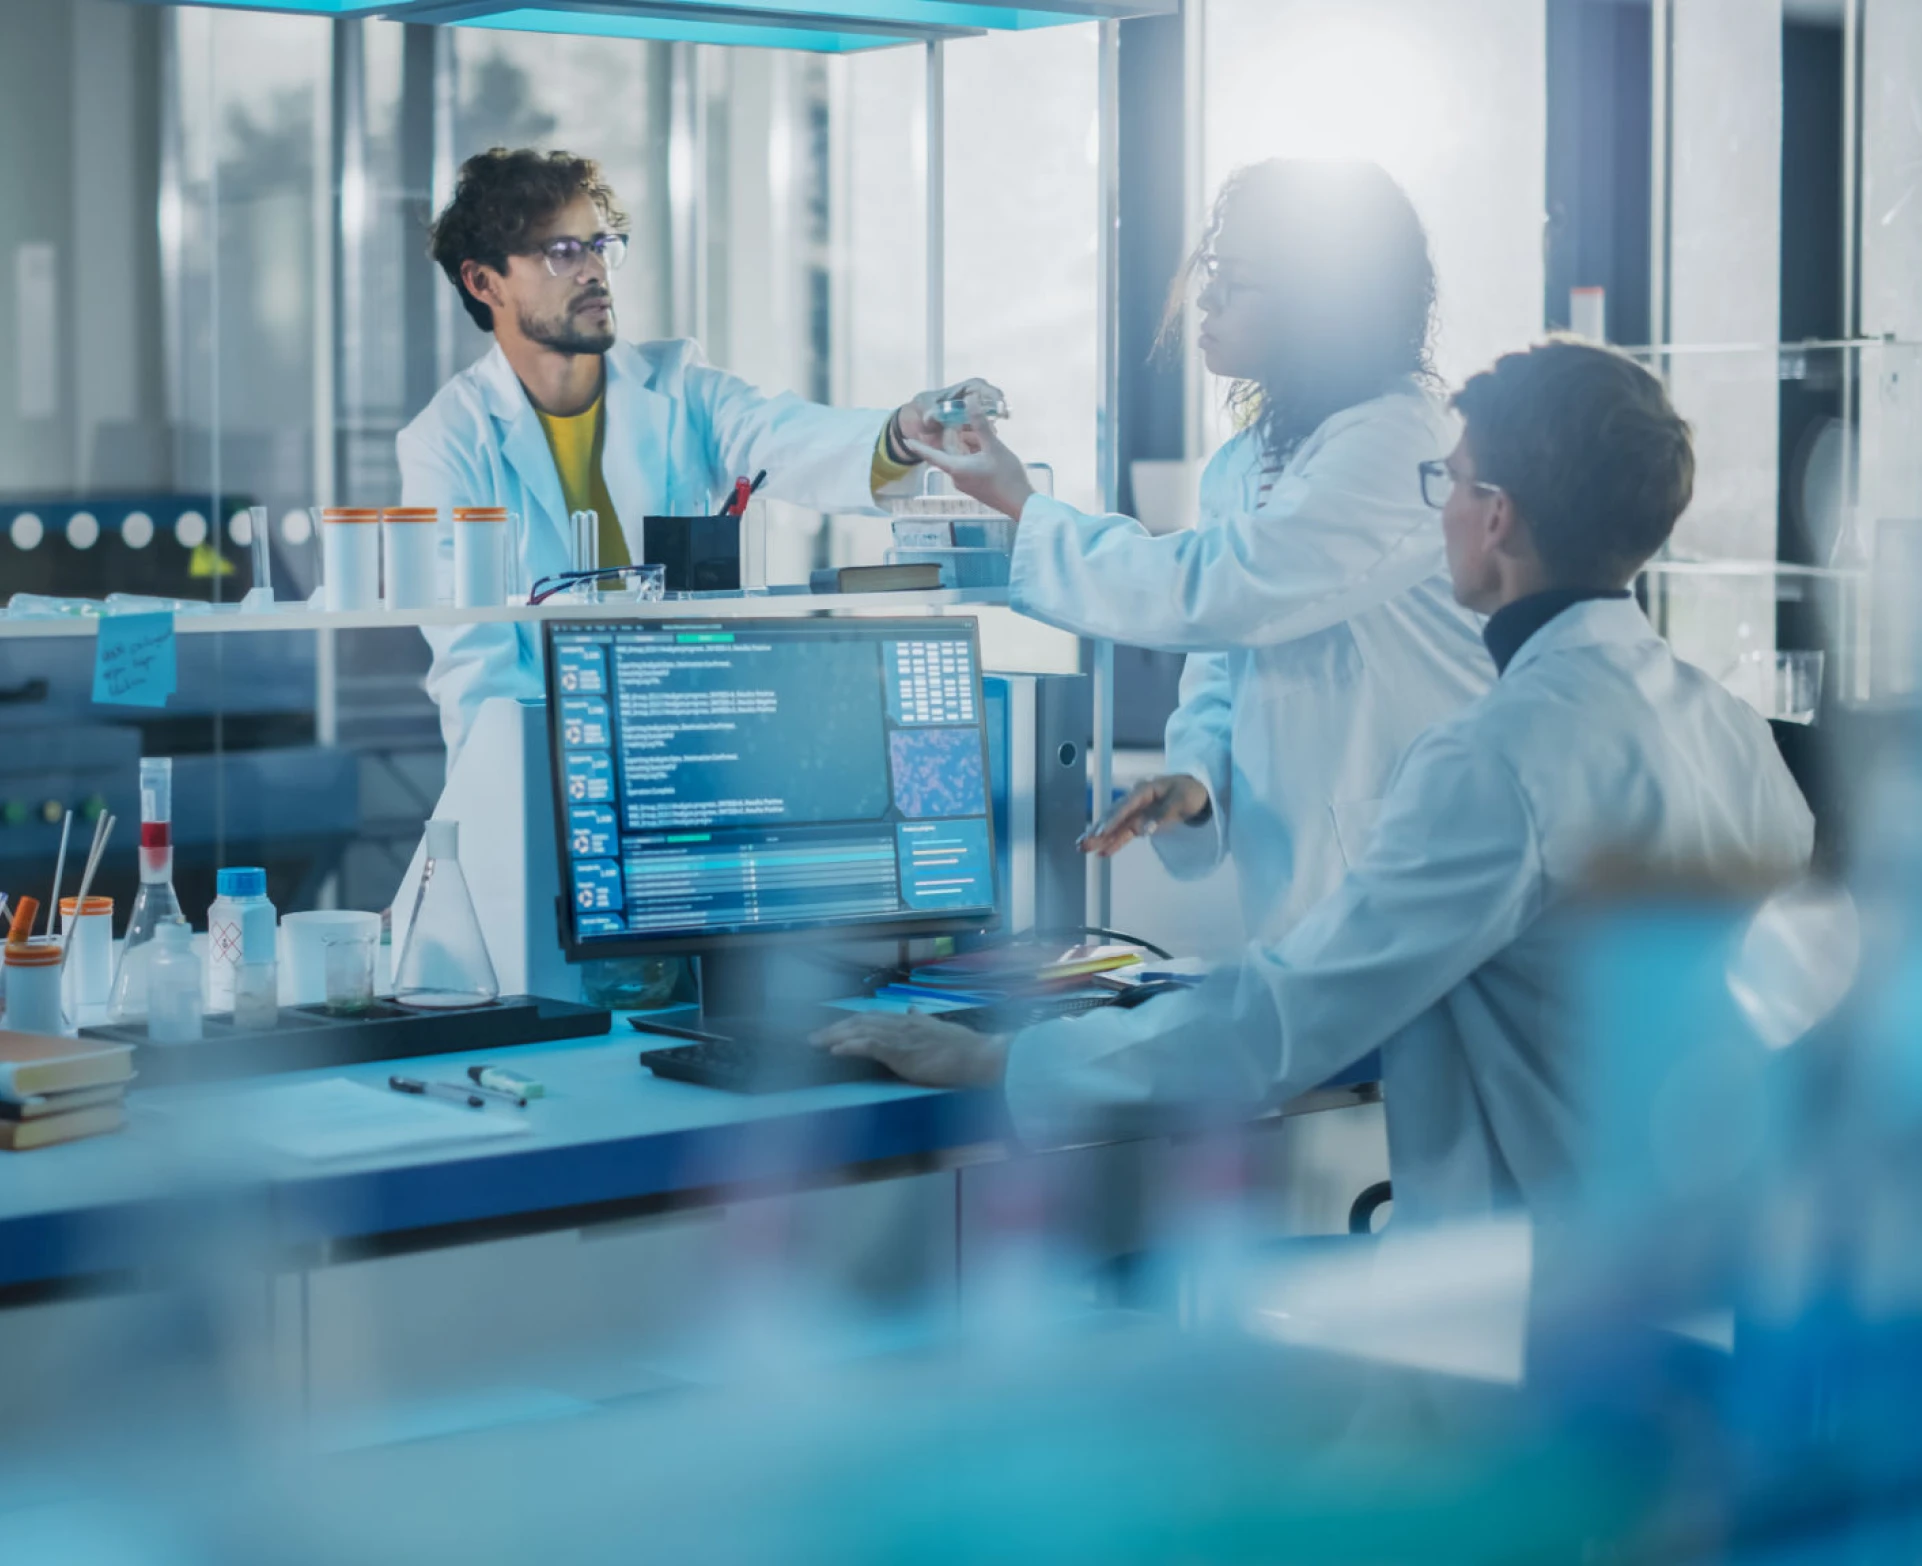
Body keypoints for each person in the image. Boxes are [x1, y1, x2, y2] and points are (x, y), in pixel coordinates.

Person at [821, 340, 1816, 1224]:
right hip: (1711, 1269)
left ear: (1495, 517)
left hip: (1530, 1298)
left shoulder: (1497, 758)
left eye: (1448, 484)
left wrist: (1002, 1058)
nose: (1434, 510)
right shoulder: (1727, 729)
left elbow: (1278, 1025)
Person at [910, 159, 1494, 942]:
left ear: (1325, 303)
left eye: (1238, 280)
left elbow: (1226, 592)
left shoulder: (1397, 443)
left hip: (1427, 883)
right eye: (1214, 268)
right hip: (1314, 893)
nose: (1207, 298)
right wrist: (1196, 776)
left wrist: (1022, 504)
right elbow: (1226, 662)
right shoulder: (1248, 461)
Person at [400, 147, 996, 760]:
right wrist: (539, 786)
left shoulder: (679, 384)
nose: (594, 271)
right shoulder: (448, 443)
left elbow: (781, 435)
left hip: (691, 744)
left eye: (600, 246)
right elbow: (477, 667)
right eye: (562, 251)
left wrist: (902, 433)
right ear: (483, 282)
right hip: (549, 762)